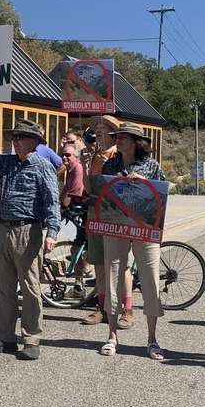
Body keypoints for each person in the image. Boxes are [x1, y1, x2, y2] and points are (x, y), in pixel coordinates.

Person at [0, 101, 61, 361]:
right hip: (4, 228)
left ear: (34, 141)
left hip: (28, 230)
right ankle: (5, 336)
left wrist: (52, 231)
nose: (15, 141)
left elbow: (52, 200)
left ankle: (31, 338)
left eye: (21, 137)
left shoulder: (42, 166)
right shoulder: (6, 163)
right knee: (3, 286)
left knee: (29, 287)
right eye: (14, 137)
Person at [100, 123, 168, 359]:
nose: (118, 140)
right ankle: (111, 335)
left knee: (150, 278)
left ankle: (152, 339)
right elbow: (102, 193)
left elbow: (163, 193)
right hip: (116, 225)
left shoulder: (151, 165)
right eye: (117, 136)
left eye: (123, 137)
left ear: (136, 141)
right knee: (112, 275)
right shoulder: (110, 164)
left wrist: (144, 184)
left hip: (145, 228)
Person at [82, 115, 130, 328]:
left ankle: (127, 309)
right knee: (99, 262)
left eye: (103, 128)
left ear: (113, 133)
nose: (98, 131)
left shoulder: (117, 157)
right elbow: (89, 188)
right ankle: (101, 307)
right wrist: (85, 167)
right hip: (95, 211)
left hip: (115, 214)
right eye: (97, 128)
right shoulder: (96, 156)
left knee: (121, 264)